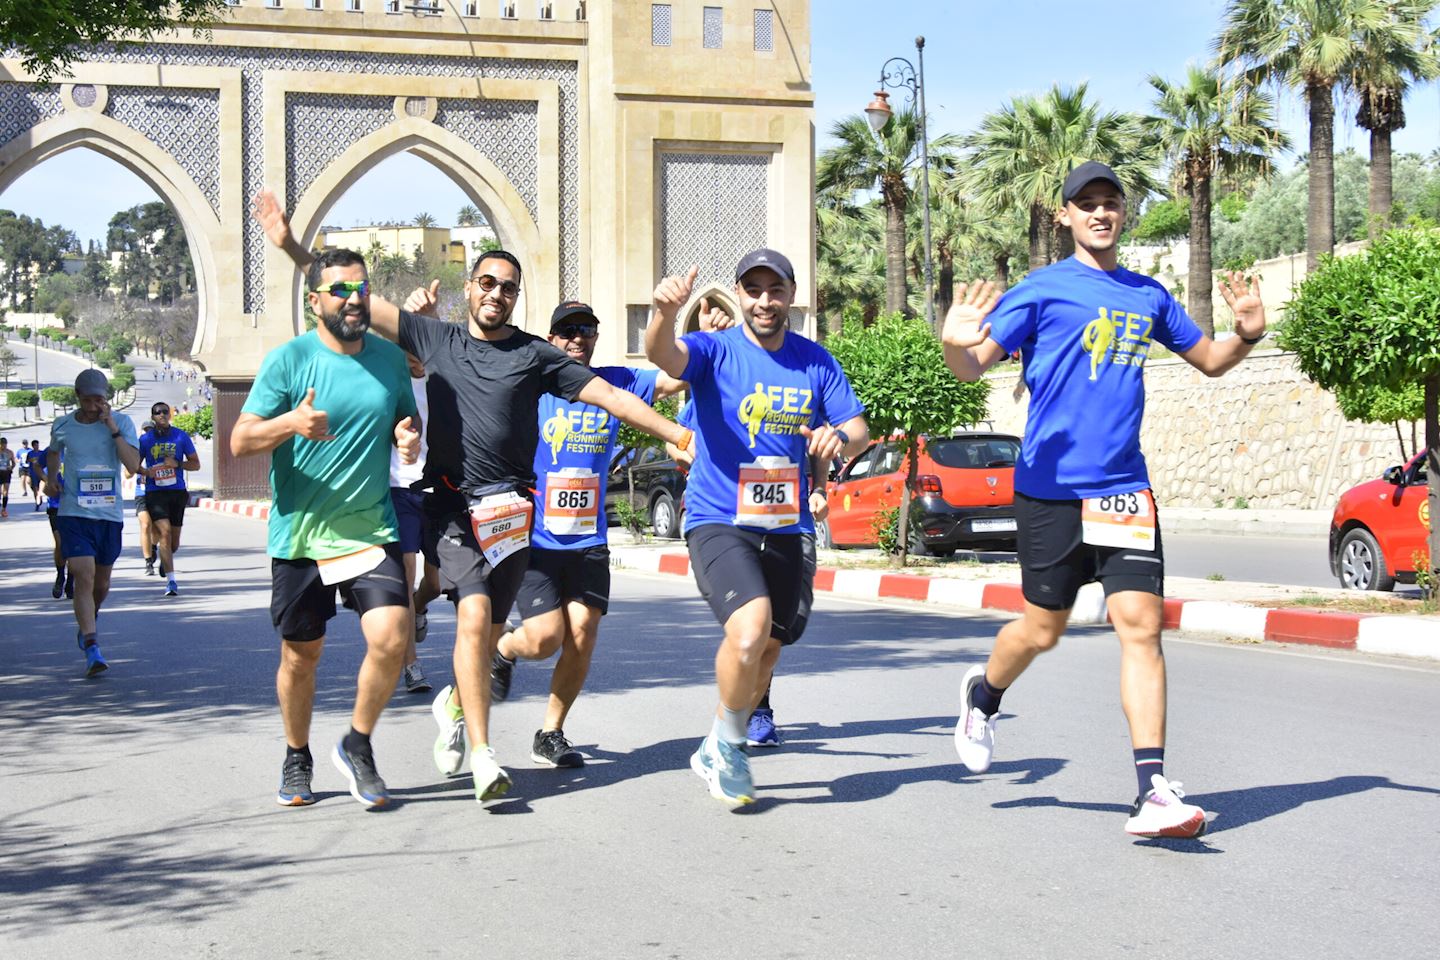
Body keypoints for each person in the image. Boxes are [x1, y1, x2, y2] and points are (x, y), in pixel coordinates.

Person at [255, 188, 692, 805]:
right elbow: (356, 297)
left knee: (492, 636)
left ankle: (454, 709)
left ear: (516, 297)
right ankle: (485, 755)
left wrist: (677, 431)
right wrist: (294, 248)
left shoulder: (538, 356)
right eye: (486, 282)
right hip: (453, 505)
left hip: (515, 510)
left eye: (508, 287)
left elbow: (612, 397)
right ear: (471, 289)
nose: (496, 293)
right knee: (476, 614)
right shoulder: (437, 340)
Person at [940, 161, 1269, 839]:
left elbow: (1208, 359)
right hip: (1051, 491)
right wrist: (952, 343)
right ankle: (983, 695)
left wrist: (1248, 334)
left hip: (1124, 489)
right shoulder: (1041, 290)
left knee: (1141, 627)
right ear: (1063, 216)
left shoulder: (1147, 295)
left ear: (1124, 214)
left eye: (1110, 203)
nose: (1099, 213)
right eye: (1085, 204)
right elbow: (975, 362)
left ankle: (1151, 790)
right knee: (1042, 630)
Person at [645, 250, 869, 805]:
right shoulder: (714, 349)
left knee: (769, 647)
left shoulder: (815, 361)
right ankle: (727, 742)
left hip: (785, 524)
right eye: (754, 289)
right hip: (719, 518)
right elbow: (664, 356)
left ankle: (719, 739)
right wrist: (662, 314)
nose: (764, 300)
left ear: (791, 294)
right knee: (749, 630)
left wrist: (839, 439)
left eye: (776, 289)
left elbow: (858, 427)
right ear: (740, 295)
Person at [230, 247, 422, 809]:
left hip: (369, 529)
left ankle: (357, 743)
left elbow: (405, 429)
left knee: (392, 637)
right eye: (339, 290)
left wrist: (408, 442)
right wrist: (291, 422)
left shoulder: (389, 360)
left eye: (361, 288)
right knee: (301, 656)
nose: (354, 299)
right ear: (314, 300)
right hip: (302, 537)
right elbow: (240, 440)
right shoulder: (289, 361)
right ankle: (296, 753)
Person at [484, 299, 688, 768]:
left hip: (589, 540)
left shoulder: (616, 383)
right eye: (567, 331)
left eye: (587, 330)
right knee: (543, 639)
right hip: (535, 539)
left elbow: (677, 376)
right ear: (552, 339)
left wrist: (702, 332)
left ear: (596, 338)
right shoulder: (531, 387)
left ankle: (550, 732)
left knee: (583, 634)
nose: (578, 338)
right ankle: (504, 648)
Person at [45, 369, 141, 676]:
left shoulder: (122, 423)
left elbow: (133, 464)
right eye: (87, 400)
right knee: (83, 576)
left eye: (99, 399)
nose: (92, 406)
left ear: (107, 399)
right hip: (74, 512)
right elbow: (53, 451)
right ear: (78, 397)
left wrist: (111, 426)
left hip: (108, 515)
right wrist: (51, 479)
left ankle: (91, 616)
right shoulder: (63, 424)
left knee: (101, 584)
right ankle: (92, 645)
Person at [390, 351, 433, 696]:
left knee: (437, 581)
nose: (415, 357)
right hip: (398, 490)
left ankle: (419, 607)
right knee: (405, 577)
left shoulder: (442, 382)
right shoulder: (386, 385)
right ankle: (411, 665)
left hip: (437, 490)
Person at [136, 402, 201, 596]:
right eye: (158, 412)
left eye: (165, 412)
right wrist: (146, 471)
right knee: (164, 533)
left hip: (177, 492)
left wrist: (177, 464)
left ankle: (165, 558)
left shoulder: (181, 436)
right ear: (153, 416)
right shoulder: (145, 440)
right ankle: (171, 581)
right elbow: (134, 464)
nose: (162, 415)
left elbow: (196, 464)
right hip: (155, 492)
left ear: (170, 415)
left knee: (173, 542)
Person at [128, 421, 159, 576]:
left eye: (150, 431)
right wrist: (138, 468)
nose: (147, 433)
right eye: (145, 431)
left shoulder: (159, 448)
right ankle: (148, 562)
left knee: (158, 529)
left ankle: (153, 546)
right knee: (146, 525)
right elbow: (128, 473)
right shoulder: (137, 448)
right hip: (142, 492)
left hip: (159, 492)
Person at [0, 437, 15, 518]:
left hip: (6, 473)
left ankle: (4, 509)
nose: (3, 446)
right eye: (2, 444)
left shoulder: (9, 452)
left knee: (5, 492)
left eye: (5, 444)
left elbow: (13, 463)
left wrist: (11, 467)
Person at [28, 440, 45, 510]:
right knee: (35, 488)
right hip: (33, 473)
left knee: (41, 487)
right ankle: (37, 502)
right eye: (35, 445)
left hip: (41, 472)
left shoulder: (42, 453)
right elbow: (28, 461)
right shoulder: (30, 453)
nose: (37, 446)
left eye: (37, 445)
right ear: (33, 446)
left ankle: (39, 497)